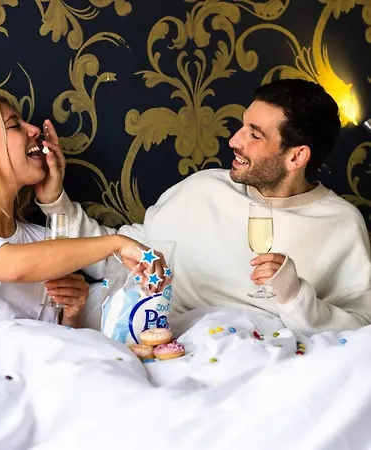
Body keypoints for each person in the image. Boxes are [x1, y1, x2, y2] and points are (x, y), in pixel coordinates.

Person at [36, 79, 371, 335]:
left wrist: (295, 296)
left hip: (273, 361)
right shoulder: (203, 189)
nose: (235, 140)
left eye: (254, 135)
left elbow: (360, 331)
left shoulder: (341, 223)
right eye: (243, 126)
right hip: (185, 347)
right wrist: (54, 201)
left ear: (296, 156)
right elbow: (120, 256)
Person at [0, 94, 165, 343]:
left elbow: (54, 340)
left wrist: (72, 315)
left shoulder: (41, 241)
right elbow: (15, 266)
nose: (34, 130)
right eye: (15, 125)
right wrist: (117, 243)